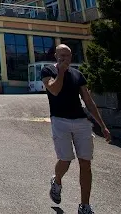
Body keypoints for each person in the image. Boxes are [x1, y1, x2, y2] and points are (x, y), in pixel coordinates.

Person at [42, 44, 111, 214]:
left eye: (68, 55)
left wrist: (102, 126)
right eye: (62, 55)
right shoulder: (48, 71)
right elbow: (54, 90)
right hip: (60, 121)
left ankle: (84, 205)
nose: (65, 58)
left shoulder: (78, 75)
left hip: (81, 121)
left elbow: (88, 101)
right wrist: (62, 72)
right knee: (65, 159)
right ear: (56, 56)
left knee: (85, 163)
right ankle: (57, 181)